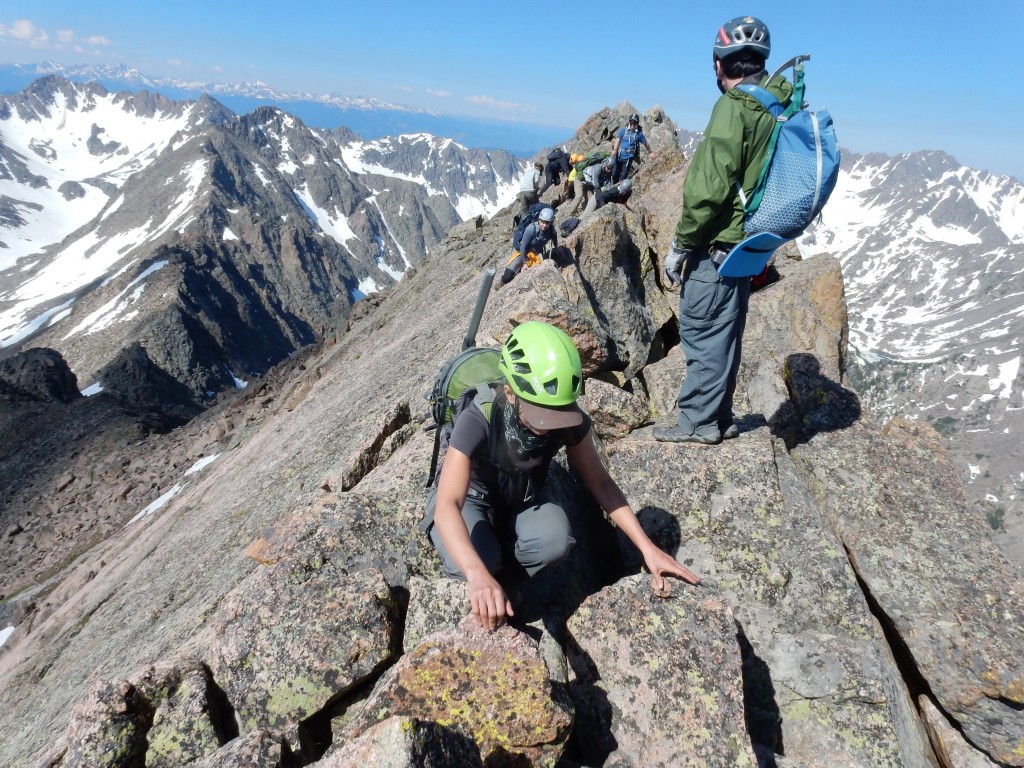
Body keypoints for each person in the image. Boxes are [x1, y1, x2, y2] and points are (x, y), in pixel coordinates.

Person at [423, 321, 701, 629]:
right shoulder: (479, 417)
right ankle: (490, 573)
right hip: (471, 499)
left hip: (520, 497)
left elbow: (601, 483)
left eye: (556, 411)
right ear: (510, 392)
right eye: (541, 412)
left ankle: (503, 579)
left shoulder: (567, 417)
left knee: (555, 540)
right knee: (482, 561)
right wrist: (477, 574)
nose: (548, 424)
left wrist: (648, 549)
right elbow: (448, 504)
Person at [656, 15, 791, 445]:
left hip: (717, 245)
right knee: (726, 333)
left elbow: (708, 189)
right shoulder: (776, 105)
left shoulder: (735, 108)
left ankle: (697, 423)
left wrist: (682, 244)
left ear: (720, 64)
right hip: (749, 245)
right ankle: (720, 416)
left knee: (701, 331)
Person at [499, 206, 558, 287]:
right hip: (525, 252)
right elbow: (523, 247)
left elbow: (554, 238)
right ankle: (502, 281)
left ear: (551, 222)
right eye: (542, 222)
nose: (544, 225)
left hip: (537, 254)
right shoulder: (531, 229)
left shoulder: (551, 229)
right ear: (539, 220)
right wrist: (525, 263)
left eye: (547, 223)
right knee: (507, 276)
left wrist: (557, 248)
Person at [610, 113, 651, 184]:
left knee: (623, 176)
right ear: (629, 122)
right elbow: (618, 140)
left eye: (634, 123)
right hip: (619, 155)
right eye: (631, 123)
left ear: (637, 124)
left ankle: (620, 191)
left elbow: (645, 143)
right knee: (614, 174)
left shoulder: (639, 134)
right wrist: (615, 151)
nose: (632, 125)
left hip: (629, 158)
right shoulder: (624, 130)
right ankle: (613, 189)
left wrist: (650, 152)